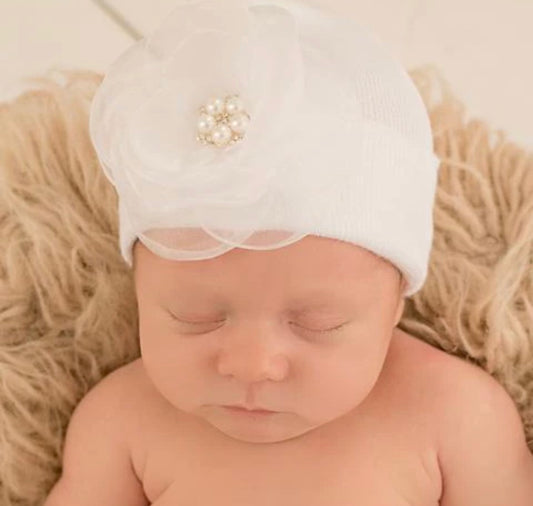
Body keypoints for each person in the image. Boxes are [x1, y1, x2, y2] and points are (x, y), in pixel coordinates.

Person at [44, 0, 533, 504]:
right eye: (195, 316)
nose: (253, 365)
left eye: (317, 323)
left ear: (395, 307)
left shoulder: (455, 416)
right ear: (140, 294)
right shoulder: (122, 422)